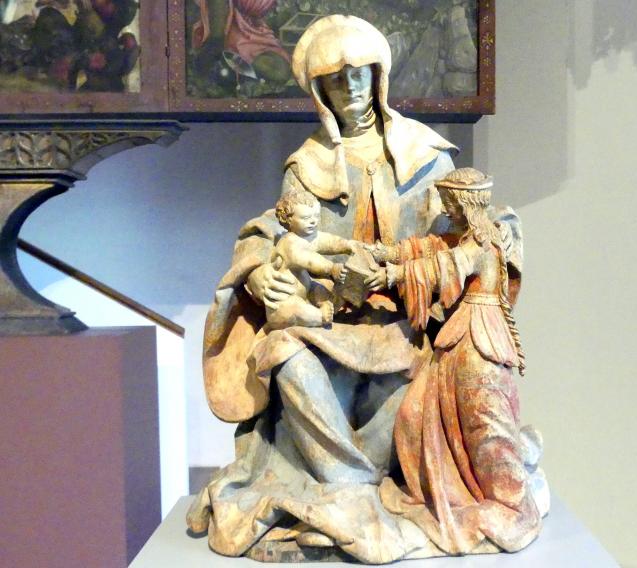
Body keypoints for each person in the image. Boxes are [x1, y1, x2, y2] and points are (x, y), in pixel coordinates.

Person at [187, 15, 466, 563]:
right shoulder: (306, 165)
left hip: (406, 327)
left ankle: (350, 496)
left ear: (379, 77)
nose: (351, 87)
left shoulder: (427, 154)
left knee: (406, 402)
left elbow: (463, 237)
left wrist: (413, 274)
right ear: (319, 92)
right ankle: (352, 495)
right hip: (329, 327)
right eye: (336, 79)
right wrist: (259, 270)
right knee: (283, 356)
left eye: (360, 73)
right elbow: (274, 232)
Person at [368, 168, 547, 555]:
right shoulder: (465, 236)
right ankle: (445, 485)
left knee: (484, 421)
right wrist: (388, 253)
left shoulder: (482, 241)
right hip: (458, 336)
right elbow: (432, 249)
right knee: (416, 412)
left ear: (465, 204)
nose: (444, 208)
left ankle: (509, 502)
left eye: (449, 201)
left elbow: (446, 266)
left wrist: (393, 276)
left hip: (478, 336)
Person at [264, 189, 355, 330]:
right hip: (283, 304)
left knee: (317, 287)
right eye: (306, 218)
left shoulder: (306, 236)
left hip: (303, 292)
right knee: (296, 308)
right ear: (288, 219)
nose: (313, 221)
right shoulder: (289, 243)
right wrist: (331, 268)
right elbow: (309, 260)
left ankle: (324, 305)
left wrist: (347, 245)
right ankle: (321, 316)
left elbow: (328, 241)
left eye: (316, 216)